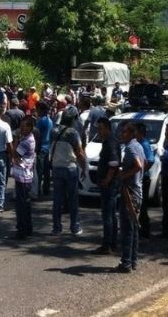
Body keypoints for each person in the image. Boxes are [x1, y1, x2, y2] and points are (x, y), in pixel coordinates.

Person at [50, 106, 86, 235]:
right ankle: (75, 227)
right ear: (74, 119)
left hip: (56, 168)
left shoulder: (53, 131)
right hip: (70, 168)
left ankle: (56, 228)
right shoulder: (72, 133)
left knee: (57, 200)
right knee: (72, 200)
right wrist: (84, 168)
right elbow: (80, 153)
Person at [115, 122, 145, 273]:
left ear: (132, 134)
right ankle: (132, 260)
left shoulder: (131, 147)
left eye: (125, 132)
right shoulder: (138, 146)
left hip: (130, 192)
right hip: (136, 190)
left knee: (127, 227)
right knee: (133, 227)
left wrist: (123, 175)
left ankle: (126, 262)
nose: (122, 134)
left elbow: (139, 165)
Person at [94, 117, 119, 254]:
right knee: (111, 214)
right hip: (109, 183)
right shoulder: (108, 142)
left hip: (109, 184)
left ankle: (107, 245)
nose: (99, 131)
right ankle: (112, 242)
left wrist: (107, 179)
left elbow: (114, 163)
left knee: (108, 215)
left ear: (108, 128)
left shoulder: (110, 142)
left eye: (101, 128)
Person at [10, 116, 37, 238]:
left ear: (30, 127)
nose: (21, 128)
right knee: (25, 203)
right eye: (21, 125)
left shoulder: (26, 141)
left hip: (23, 176)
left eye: (24, 126)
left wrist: (15, 140)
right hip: (23, 174)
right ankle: (28, 228)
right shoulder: (27, 138)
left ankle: (22, 230)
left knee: (22, 204)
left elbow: (15, 153)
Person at [35, 101, 54, 197]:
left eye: (37, 109)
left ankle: (37, 190)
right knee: (46, 171)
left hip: (41, 147)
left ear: (41, 110)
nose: (36, 110)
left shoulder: (41, 121)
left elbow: (36, 134)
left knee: (39, 171)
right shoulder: (50, 120)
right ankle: (46, 189)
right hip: (48, 147)